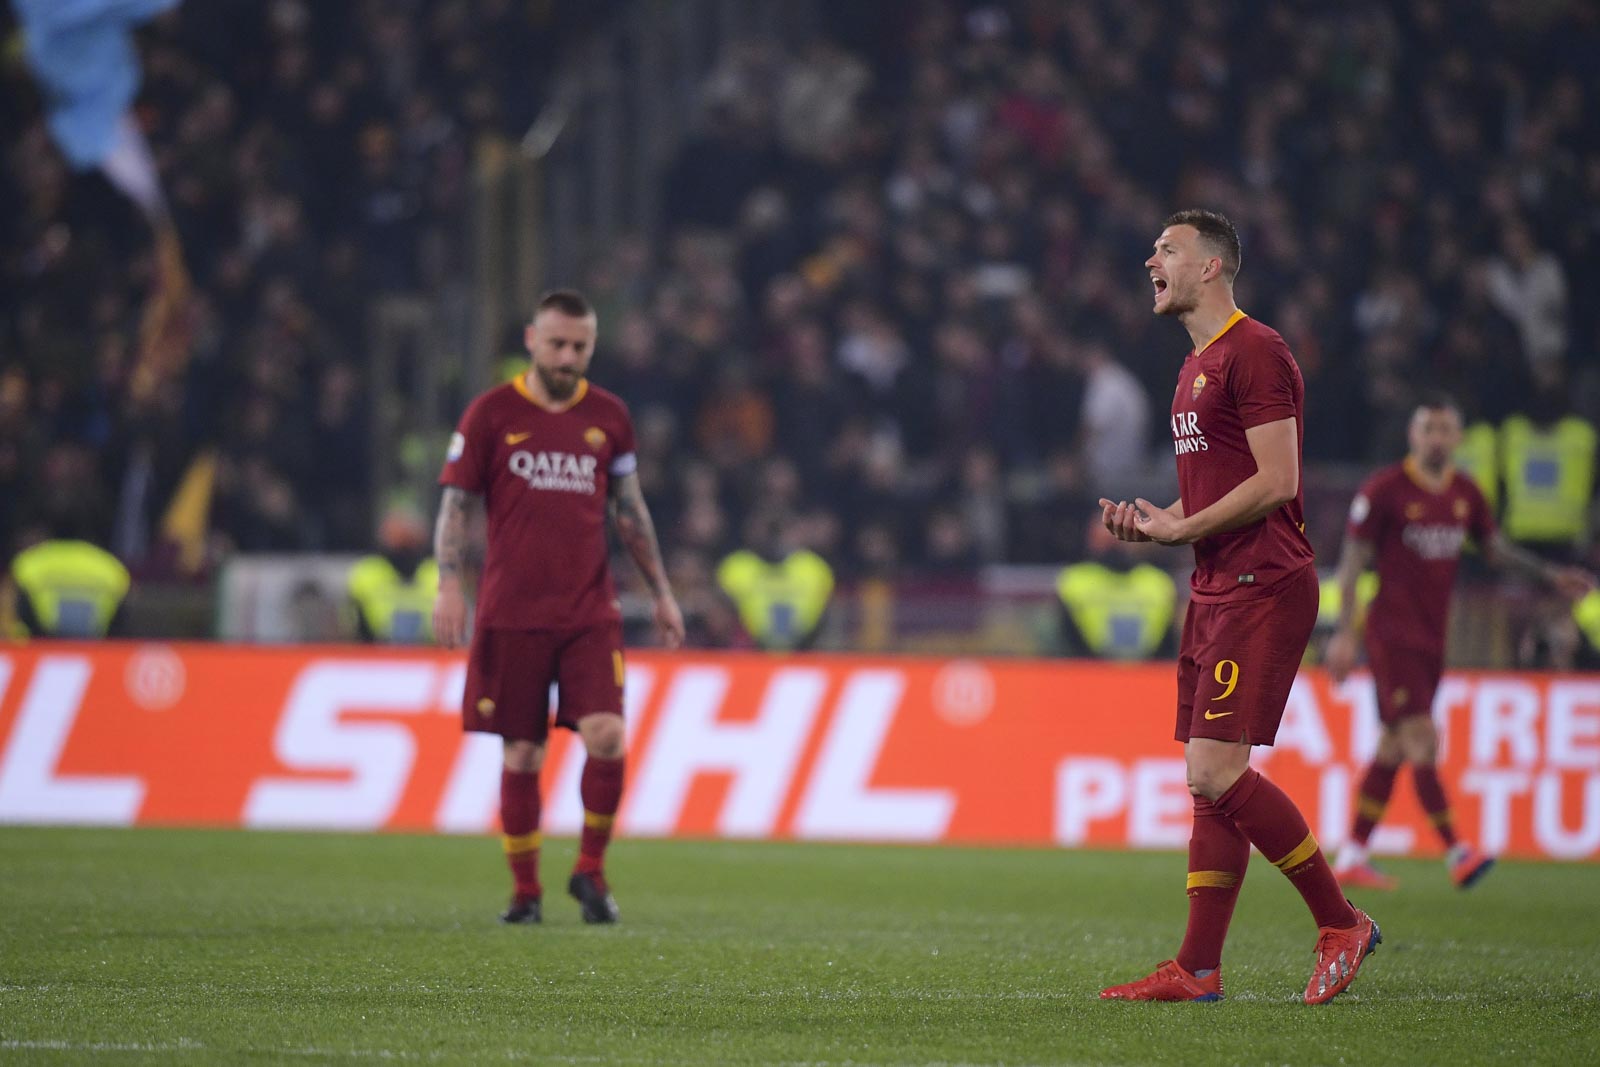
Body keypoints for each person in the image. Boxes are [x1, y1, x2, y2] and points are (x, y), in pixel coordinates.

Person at [1097, 210, 1380, 1006]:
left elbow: (1279, 479)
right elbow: (1220, 487)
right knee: (1208, 781)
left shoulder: (1255, 349)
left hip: (1264, 582)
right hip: (1215, 583)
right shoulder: (1193, 368)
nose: (1151, 259)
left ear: (1212, 266)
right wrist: (1163, 522)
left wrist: (1182, 527)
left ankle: (1341, 921)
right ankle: (1197, 967)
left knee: (1215, 769)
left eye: (1168, 248)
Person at [433, 288, 685, 926]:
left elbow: (630, 510)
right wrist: (448, 584)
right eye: (557, 344)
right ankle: (525, 893)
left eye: (580, 346)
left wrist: (661, 592)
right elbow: (456, 506)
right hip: (511, 612)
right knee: (522, 753)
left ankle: (590, 872)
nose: (568, 357)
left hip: (588, 612)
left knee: (608, 736)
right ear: (531, 340)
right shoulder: (491, 413)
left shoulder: (609, 417)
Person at [1325, 397, 1595, 890]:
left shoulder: (1465, 493)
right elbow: (1351, 566)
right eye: (1427, 428)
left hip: (1433, 636)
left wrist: (1551, 575)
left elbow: (1494, 549)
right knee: (1422, 737)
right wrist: (1345, 633)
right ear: (1413, 434)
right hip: (1392, 634)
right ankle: (1457, 851)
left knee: (1393, 745)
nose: (1436, 438)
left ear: (1458, 438)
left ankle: (1352, 856)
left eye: (1444, 429)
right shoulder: (1384, 490)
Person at [347, 504, 439, 644]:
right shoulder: (366, 573)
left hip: (431, 652)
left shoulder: (438, 573)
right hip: (375, 652)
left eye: (407, 538)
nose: (402, 542)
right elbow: (355, 626)